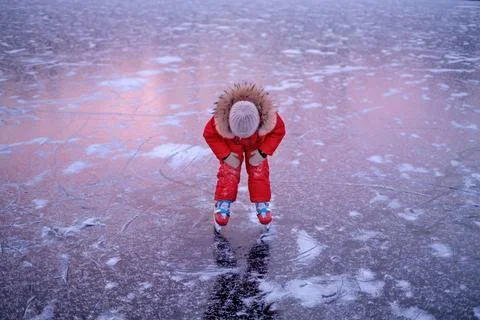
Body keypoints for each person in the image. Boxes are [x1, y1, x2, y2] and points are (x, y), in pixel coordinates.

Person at [203, 83, 286, 230]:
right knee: (229, 171)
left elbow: (278, 131)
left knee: (259, 170)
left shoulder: (269, 116)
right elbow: (209, 135)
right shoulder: (219, 119)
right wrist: (225, 155)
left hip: (256, 145)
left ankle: (262, 202)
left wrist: (263, 152)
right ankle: (223, 201)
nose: (242, 136)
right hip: (231, 145)